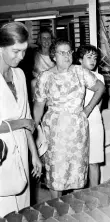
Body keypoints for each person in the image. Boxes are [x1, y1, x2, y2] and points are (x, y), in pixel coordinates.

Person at [33, 39, 105, 199]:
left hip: (77, 130)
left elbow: (100, 88)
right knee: (56, 173)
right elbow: (38, 106)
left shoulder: (80, 71)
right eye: (62, 52)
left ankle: (77, 209)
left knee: (77, 173)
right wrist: (33, 131)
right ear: (53, 56)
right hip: (54, 131)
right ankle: (56, 207)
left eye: (69, 52)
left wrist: (87, 109)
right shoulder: (45, 77)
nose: (67, 55)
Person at [0, 22, 42, 217]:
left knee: (23, 210)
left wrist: (34, 155)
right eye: (15, 51)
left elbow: (27, 117)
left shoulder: (19, 74)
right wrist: (21, 124)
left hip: (22, 152)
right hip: (2, 154)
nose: (21, 57)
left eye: (24, 51)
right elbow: (25, 121)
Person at [75, 44, 105, 187]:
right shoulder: (74, 76)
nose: (93, 60)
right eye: (89, 57)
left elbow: (99, 104)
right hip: (77, 121)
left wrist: (90, 113)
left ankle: (95, 192)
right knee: (78, 161)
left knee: (94, 161)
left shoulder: (99, 78)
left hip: (94, 121)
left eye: (95, 58)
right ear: (80, 59)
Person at [31, 28, 55, 98]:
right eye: (43, 38)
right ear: (40, 40)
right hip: (37, 87)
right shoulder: (33, 54)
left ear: (51, 40)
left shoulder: (55, 55)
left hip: (52, 88)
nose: (46, 40)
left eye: (48, 38)